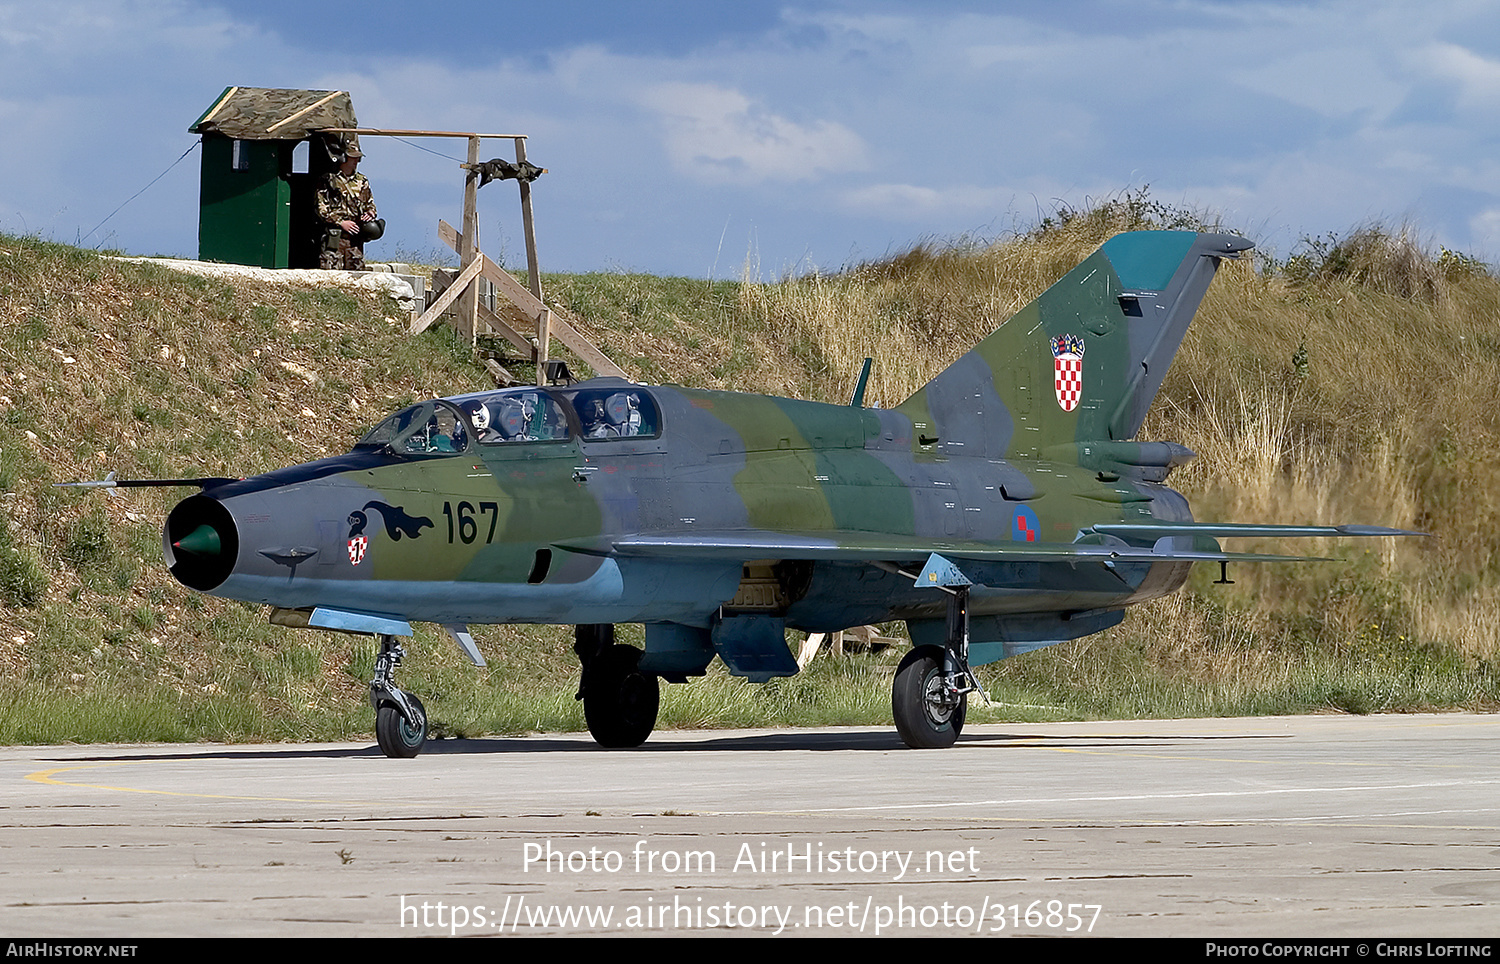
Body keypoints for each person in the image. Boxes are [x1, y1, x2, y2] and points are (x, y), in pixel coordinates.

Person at [316, 135, 380, 270]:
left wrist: (370, 213)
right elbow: (321, 209)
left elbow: (370, 203)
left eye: (358, 158)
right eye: (353, 157)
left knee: (356, 276)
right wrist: (341, 222)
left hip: (355, 239)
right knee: (332, 275)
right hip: (335, 237)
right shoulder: (329, 180)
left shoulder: (362, 181)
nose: (356, 161)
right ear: (344, 158)